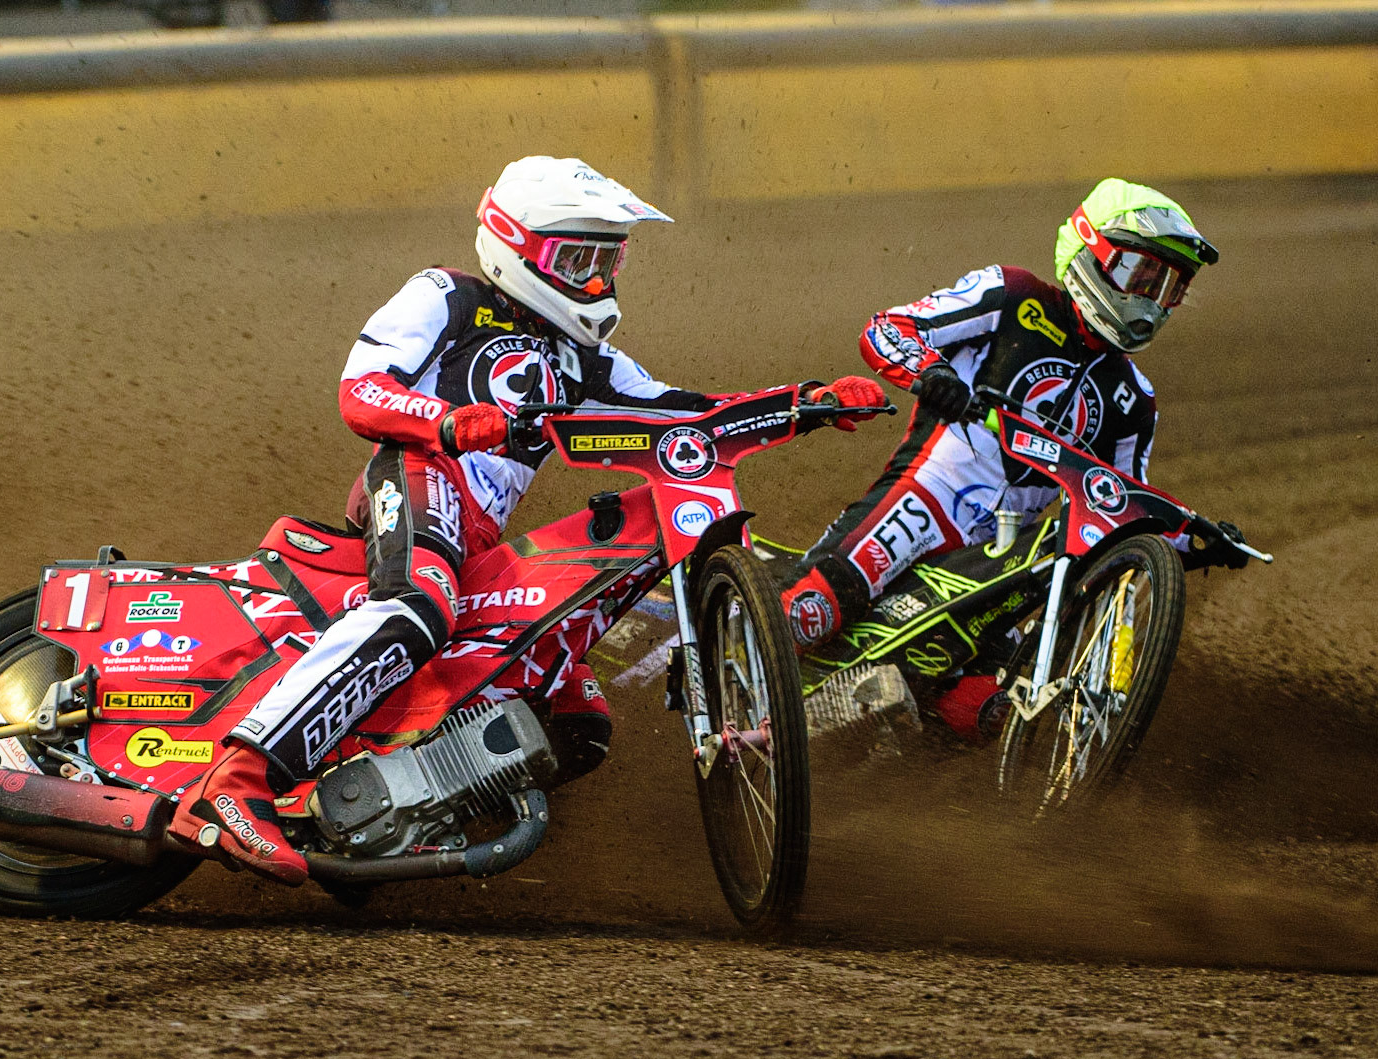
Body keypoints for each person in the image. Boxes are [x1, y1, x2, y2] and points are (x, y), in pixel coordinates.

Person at [169, 155, 887, 882]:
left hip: (477, 536)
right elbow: (361, 393)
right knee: (417, 606)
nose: (597, 282)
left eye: (607, 262)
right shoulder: (444, 295)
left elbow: (687, 414)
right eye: (579, 260)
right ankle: (238, 782)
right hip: (420, 476)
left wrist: (805, 402)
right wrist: (452, 425)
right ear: (515, 247)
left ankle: (389, 827)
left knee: (577, 721)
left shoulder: (584, 358)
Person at [779, 178, 1235, 734]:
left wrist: (1194, 540)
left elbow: (1121, 511)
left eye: (1169, 287)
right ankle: (714, 672)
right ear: (1092, 250)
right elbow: (888, 328)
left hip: (1006, 550)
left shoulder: (1133, 399)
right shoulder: (1012, 295)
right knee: (811, 610)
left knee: (987, 712)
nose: (1151, 299)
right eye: (1142, 275)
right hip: (928, 497)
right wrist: (932, 373)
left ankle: (864, 751)